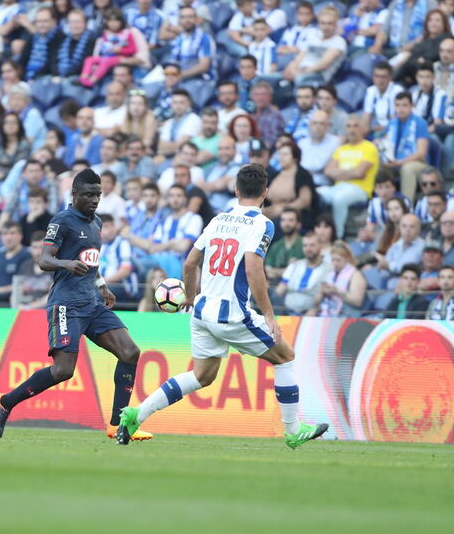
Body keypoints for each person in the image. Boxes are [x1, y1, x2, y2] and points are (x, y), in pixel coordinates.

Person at [117, 163, 328, 448]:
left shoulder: (219, 219)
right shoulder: (262, 223)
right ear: (265, 193)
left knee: (202, 375)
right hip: (233, 315)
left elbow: (190, 262)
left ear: (237, 190)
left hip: (203, 312)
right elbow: (254, 268)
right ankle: (292, 430)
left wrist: (190, 298)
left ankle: (136, 415)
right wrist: (269, 315)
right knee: (285, 357)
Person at [0, 168, 151, 442]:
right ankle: (5, 401)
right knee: (63, 370)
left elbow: (91, 262)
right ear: (74, 194)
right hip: (66, 304)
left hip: (92, 302)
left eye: (98, 195)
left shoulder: (97, 223)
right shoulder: (62, 221)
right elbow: (44, 259)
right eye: (89, 195)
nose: (95, 200)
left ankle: (117, 425)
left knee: (130, 352)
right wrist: (64, 263)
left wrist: (101, 286)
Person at [318, 116, 380, 240]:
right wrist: (349, 172)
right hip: (338, 187)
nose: (352, 129)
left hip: (360, 189)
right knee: (317, 193)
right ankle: (317, 230)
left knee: (339, 199)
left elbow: (359, 173)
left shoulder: (369, 147)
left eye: (355, 126)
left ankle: (337, 236)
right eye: (348, 126)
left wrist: (339, 172)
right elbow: (328, 171)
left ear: (362, 129)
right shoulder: (341, 149)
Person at [313, 242, 367, 317]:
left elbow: (357, 301)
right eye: (333, 260)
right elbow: (316, 303)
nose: (335, 263)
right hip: (326, 314)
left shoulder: (356, 275)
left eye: (338, 260)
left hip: (346, 315)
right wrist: (322, 292)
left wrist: (337, 291)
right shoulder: (330, 274)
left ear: (347, 259)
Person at [265, 207, 305, 280]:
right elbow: (267, 270)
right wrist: (288, 271)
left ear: (299, 224)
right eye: (283, 220)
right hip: (273, 286)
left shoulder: (305, 244)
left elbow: (300, 273)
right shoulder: (276, 245)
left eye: (291, 220)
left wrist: (275, 272)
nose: (286, 224)